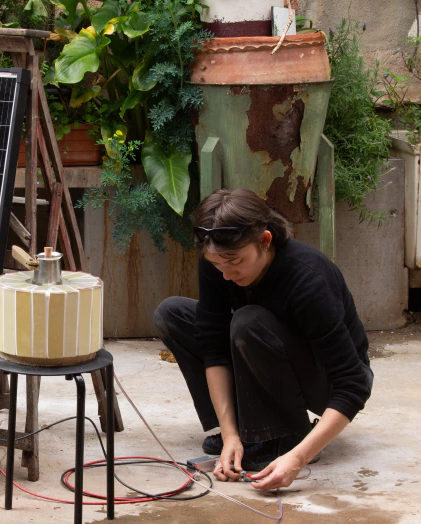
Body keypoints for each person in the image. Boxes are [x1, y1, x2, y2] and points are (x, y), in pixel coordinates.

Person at [154, 189, 373, 491]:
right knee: (172, 313)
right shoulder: (219, 261)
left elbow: (354, 383)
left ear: (265, 241)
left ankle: (287, 435)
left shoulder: (308, 277)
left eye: (236, 261)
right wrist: (230, 434)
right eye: (218, 265)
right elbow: (214, 347)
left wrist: (298, 458)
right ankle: (246, 432)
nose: (227, 275)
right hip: (261, 349)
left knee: (248, 321)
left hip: (325, 382)